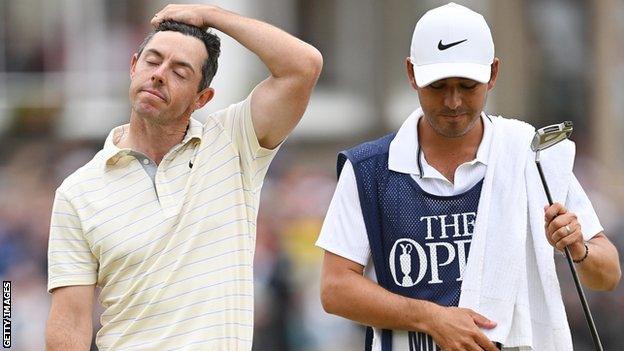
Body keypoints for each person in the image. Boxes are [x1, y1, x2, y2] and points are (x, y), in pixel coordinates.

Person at [316, 3, 620, 351]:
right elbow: (335, 289)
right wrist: (433, 318)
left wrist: (578, 248)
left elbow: (607, 274)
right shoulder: (369, 170)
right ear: (412, 73)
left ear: (493, 73)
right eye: (438, 85)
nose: (453, 101)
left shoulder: (529, 156)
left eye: (467, 85)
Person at [45, 4, 322, 350]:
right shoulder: (77, 192)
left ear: (202, 99)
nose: (159, 74)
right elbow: (69, 322)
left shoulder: (234, 143)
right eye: (152, 60)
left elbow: (303, 66)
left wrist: (211, 15)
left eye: (180, 71)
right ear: (133, 67)